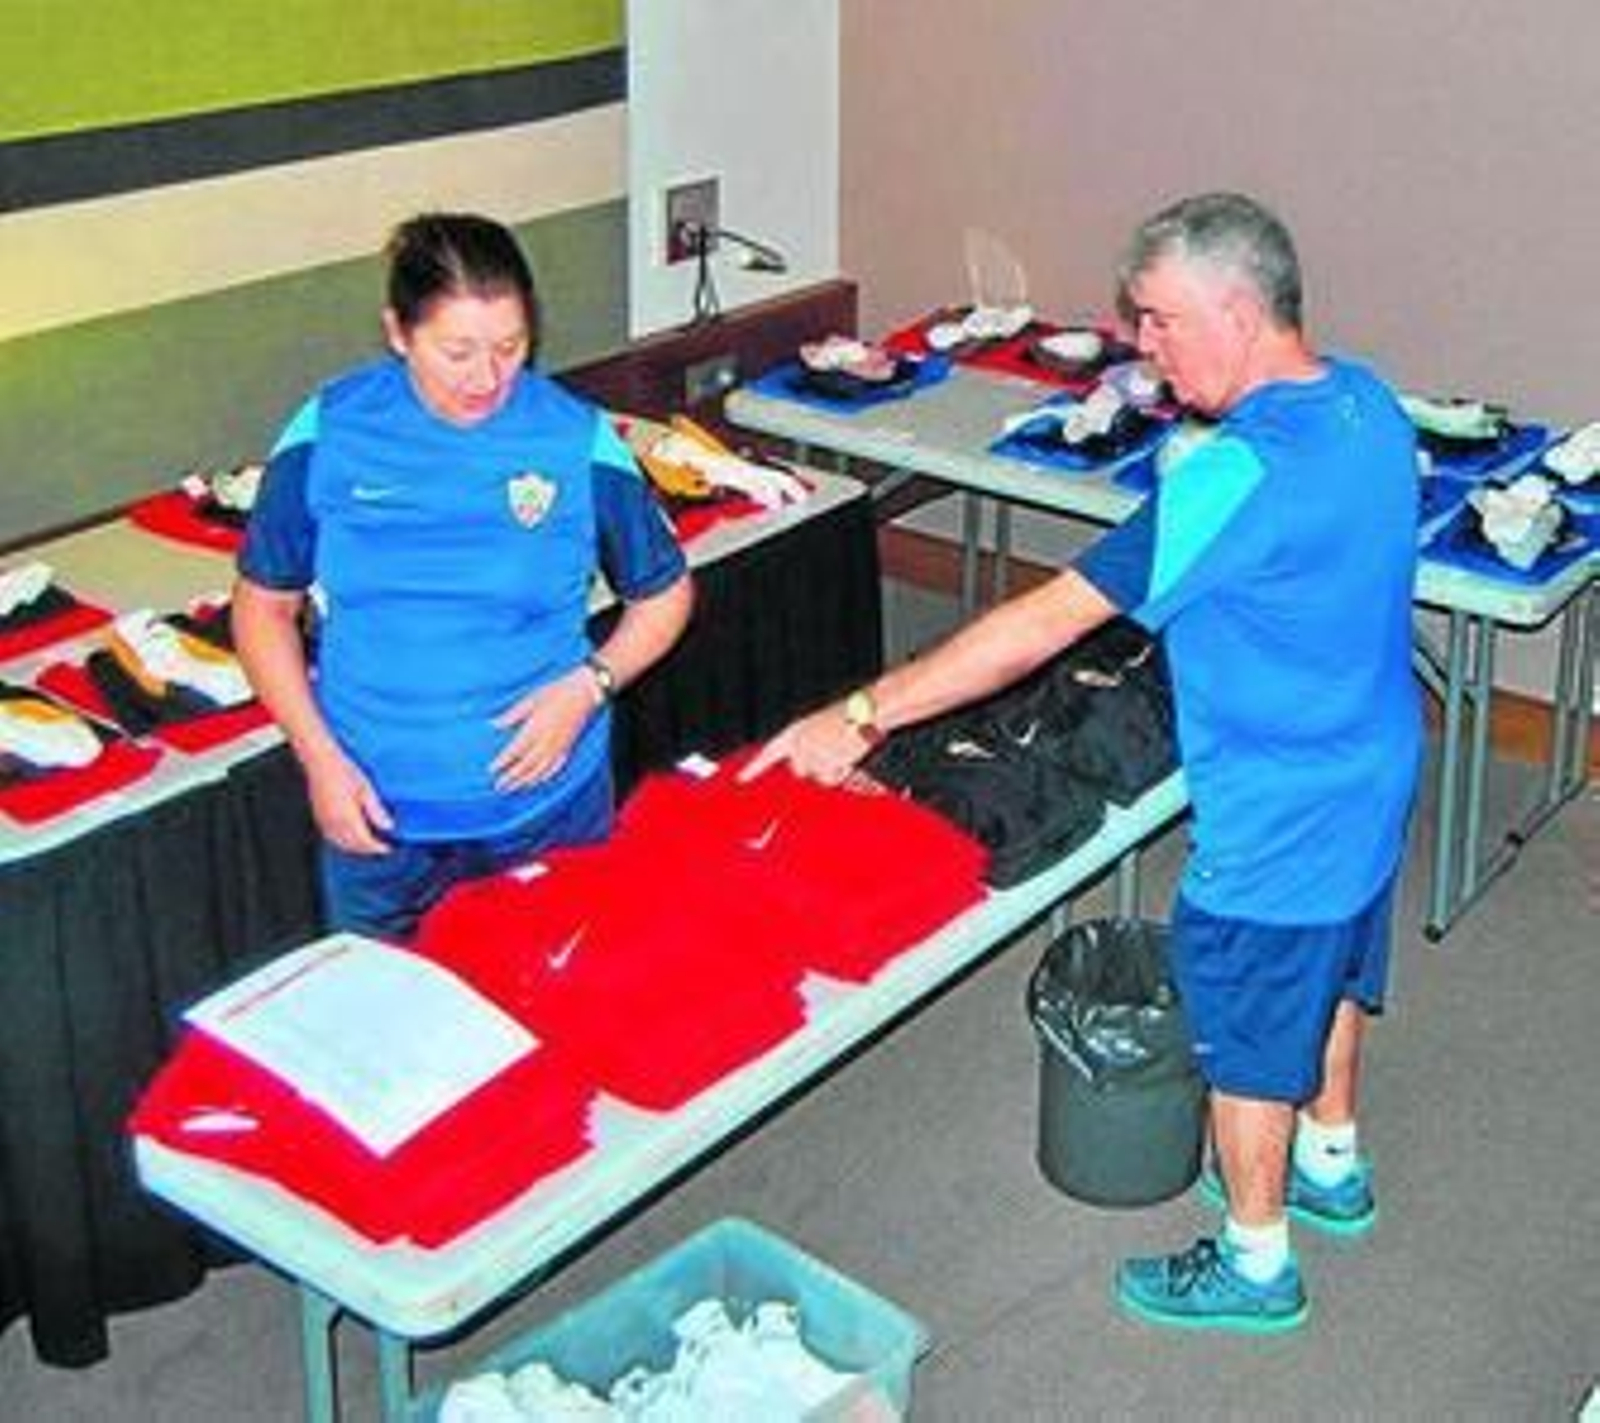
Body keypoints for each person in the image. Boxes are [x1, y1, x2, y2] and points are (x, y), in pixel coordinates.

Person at [745, 191, 1421, 1333]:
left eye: (1159, 320)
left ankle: (1257, 1259)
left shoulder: (1235, 476)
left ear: (1238, 311)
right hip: (1373, 766)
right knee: (1335, 966)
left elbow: (1042, 625)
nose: (1143, 347)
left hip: (1277, 809)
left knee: (1249, 1037)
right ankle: (1331, 1159)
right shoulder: (1366, 402)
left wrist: (861, 713)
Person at [234, 212, 693, 942]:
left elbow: (665, 592)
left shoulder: (574, 439)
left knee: (559, 999)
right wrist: (318, 760)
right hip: (376, 817)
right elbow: (263, 609)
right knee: (389, 1009)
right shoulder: (329, 431)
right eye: (457, 352)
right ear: (398, 333)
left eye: (511, 348)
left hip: (546, 813)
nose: (487, 378)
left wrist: (590, 686)